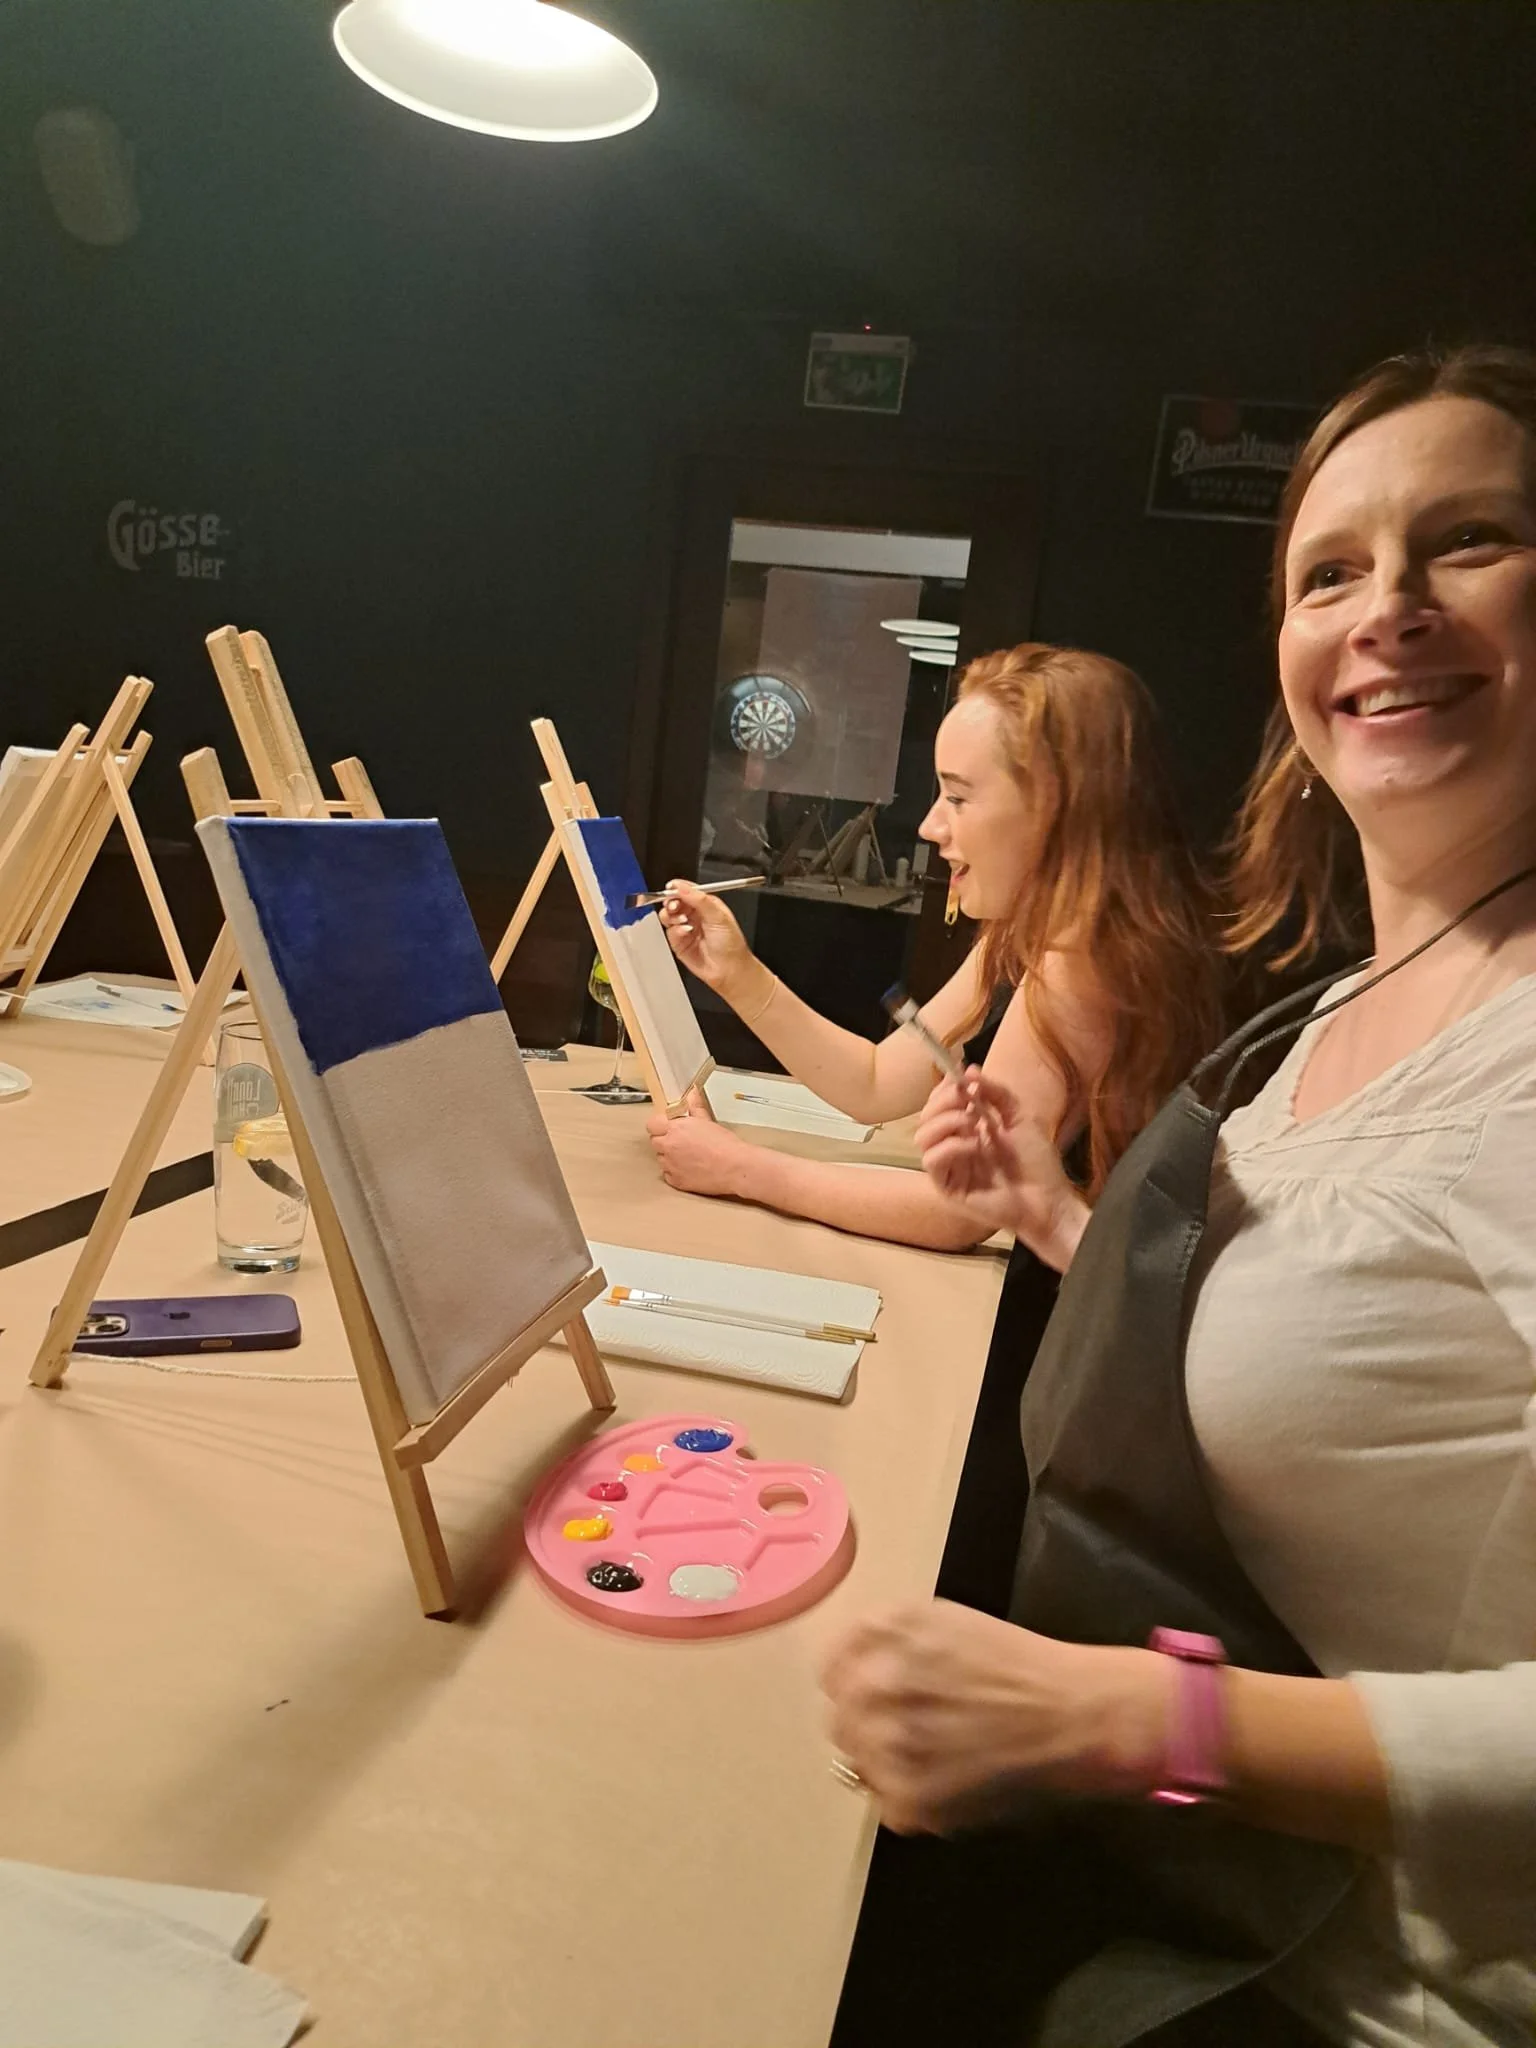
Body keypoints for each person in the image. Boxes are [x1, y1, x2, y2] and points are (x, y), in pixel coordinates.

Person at [827, 344, 1536, 2046]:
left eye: (1470, 542)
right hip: (1197, 1901)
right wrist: (1049, 1220)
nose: (1387, 607)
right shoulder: (1341, 1005)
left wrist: (1142, 1718)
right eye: (1330, 569)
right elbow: (1342, 1359)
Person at [648, 642, 1222, 1262]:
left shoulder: (1082, 963)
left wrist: (741, 1169)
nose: (929, 826)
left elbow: (958, 1213)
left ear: (1059, 807)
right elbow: (875, 1081)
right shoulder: (1025, 933)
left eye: (957, 797)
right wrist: (738, 975)